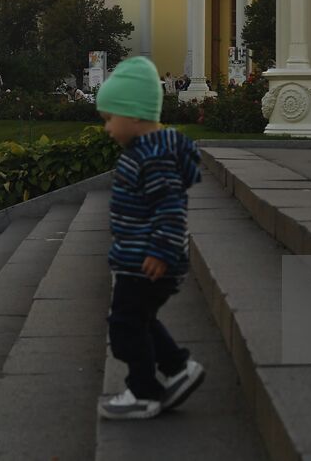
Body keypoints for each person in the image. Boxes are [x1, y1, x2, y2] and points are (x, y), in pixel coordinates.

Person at [95, 56, 206, 421]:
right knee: (139, 318)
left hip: (148, 258)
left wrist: (159, 251)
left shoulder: (153, 158)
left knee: (125, 325)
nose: (107, 128)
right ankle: (177, 367)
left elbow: (170, 208)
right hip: (139, 255)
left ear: (135, 116)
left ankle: (143, 392)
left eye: (110, 118)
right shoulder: (145, 152)